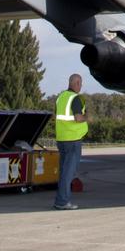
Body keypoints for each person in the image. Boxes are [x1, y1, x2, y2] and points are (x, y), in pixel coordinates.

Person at [53, 73, 87, 211]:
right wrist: (87, 117)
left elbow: (55, 115)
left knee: (63, 172)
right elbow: (78, 118)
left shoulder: (61, 97)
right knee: (69, 173)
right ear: (77, 83)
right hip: (73, 140)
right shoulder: (76, 98)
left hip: (61, 139)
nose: (81, 86)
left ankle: (59, 200)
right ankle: (62, 201)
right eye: (80, 83)